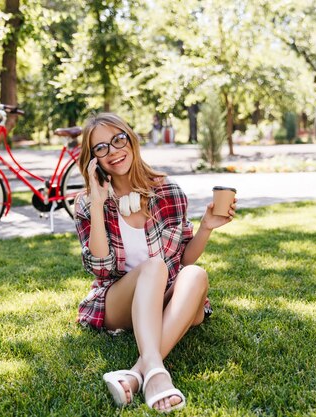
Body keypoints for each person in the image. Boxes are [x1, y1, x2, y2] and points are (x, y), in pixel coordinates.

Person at [74, 113, 237, 412]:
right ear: (93, 159)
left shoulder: (168, 191)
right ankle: (156, 374)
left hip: (164, 295)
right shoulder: (87, 203)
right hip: (118, 301)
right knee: (154, 266)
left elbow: (184, 258)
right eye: (101, 148)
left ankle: (137, 375)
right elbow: (100, 269)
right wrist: (98, 202)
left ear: (131, 140)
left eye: (118, 139)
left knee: (196, 274)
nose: (113, 151)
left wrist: (206, 227)